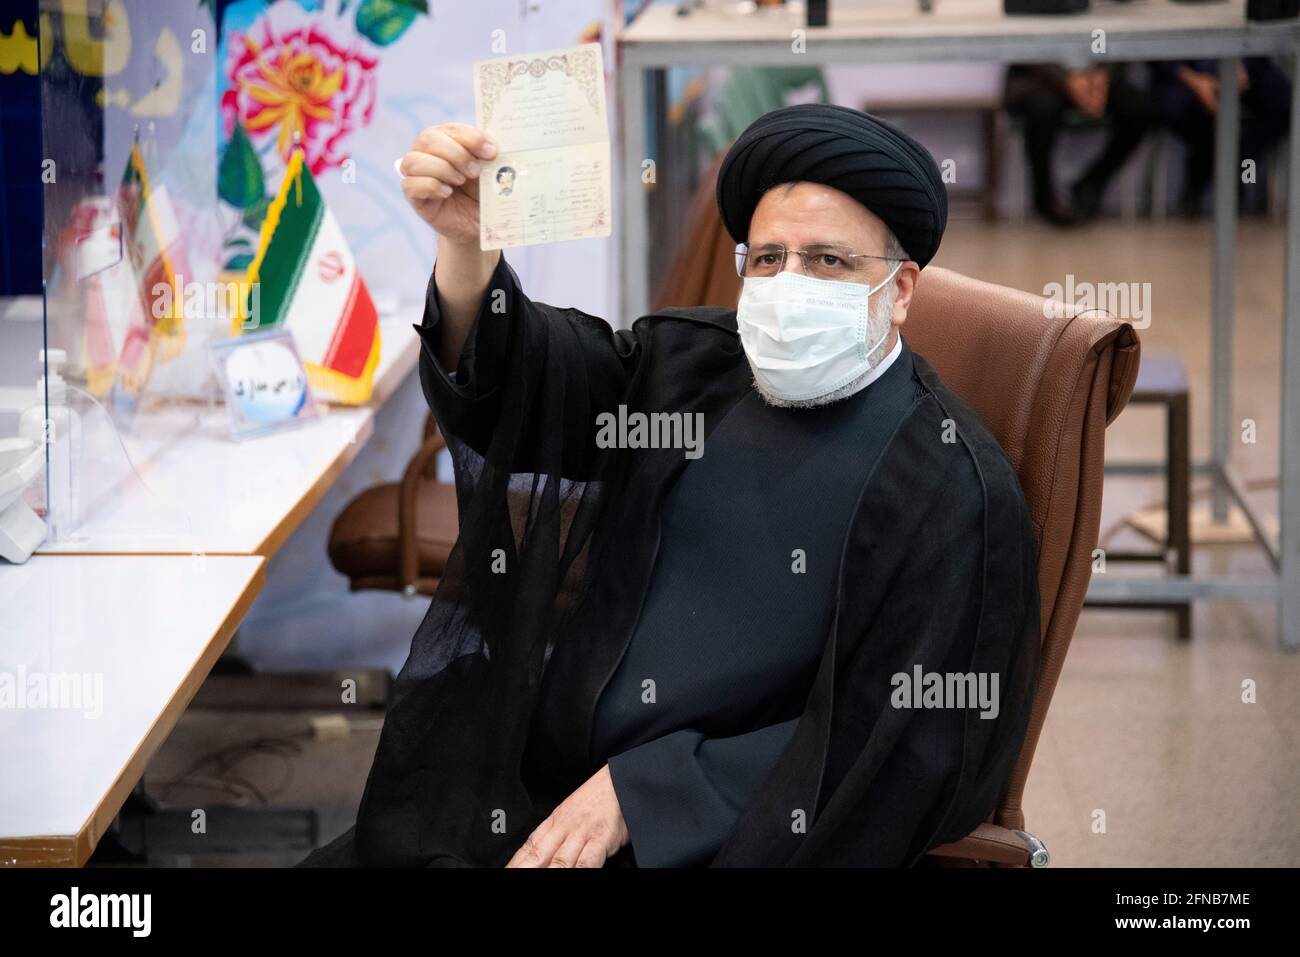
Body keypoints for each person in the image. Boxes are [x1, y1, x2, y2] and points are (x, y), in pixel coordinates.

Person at [300, 104, 1041, 868]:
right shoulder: (692, 372)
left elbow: (901, 746)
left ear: (902, 289)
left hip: (713, 840)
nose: (791, 285)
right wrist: (466, 248)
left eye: (828, 261)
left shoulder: (951, 493)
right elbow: (529, 382)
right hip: (537, 791)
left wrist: (648, 790)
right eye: (768, 258)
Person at [1004, 63, 1156, 225]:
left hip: (1096, 79)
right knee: (1041, 110)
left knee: (1139, 109)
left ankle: (1092, 183)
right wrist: (1068, 79)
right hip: (1041, 79)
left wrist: (1101, 77)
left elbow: (1103, 41)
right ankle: (1045, 197)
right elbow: (1031, 49)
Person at [1147, 58, 1291, 217]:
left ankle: (1240, 166)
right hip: (1185, 76)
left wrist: (1243, 67)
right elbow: (1158, 58)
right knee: (1186, 110)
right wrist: (1195, 81)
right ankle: (1200, 179)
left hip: (1242, 69)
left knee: (1283, 102)